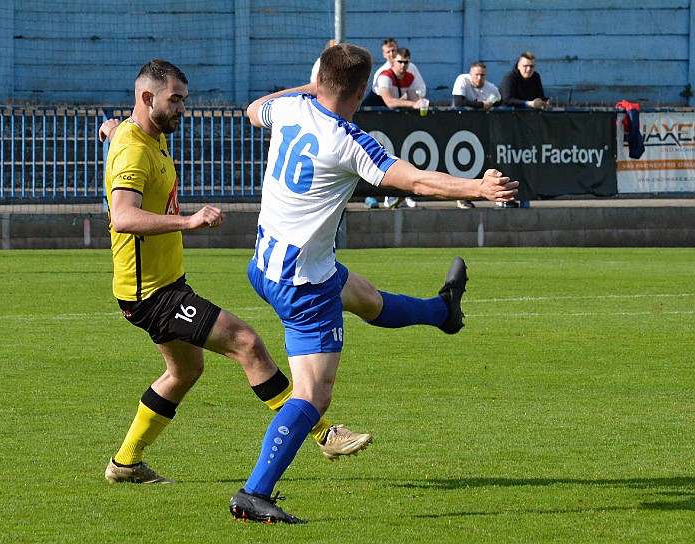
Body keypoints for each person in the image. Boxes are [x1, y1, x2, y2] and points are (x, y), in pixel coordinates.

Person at [228, 43, 518, 524]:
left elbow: (253, 109)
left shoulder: (287, 108)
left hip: (266, 263)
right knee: (313, 396)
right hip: (302, 283)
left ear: (319, 79)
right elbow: (416, 181)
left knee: (364, 297)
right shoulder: (348, 140)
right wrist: (478, 188)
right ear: (364, 91)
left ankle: (443, 312)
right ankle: (254, 492)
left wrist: (315, 85)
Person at [98, 59, 372, 485]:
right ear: (146, 98)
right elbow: (123, 216)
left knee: (184, 372)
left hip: (161, 285)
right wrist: (188, 222)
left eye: (183, 101)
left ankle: (125, 463)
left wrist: (108, 129)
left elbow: (117, 134)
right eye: (175, 101)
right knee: (247, 344)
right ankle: (323, 434)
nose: (182, 109)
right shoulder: (135, 148)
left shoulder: (136, 134)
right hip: (152, 294)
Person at [361, 47, 427, 209]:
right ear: (392, 62)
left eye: (406, 62)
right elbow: (390, 102)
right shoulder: (385, 76)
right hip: (370, 122)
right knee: (369, 160)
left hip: (386, 124)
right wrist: (414, 104)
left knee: (392, 159)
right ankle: (368, 196)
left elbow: (413, 98)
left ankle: (393, 195)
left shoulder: (410, 76)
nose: (403, 66)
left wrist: (419, 103)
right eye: (399, 62)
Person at [498, 52, 548, 208]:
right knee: (507, 161)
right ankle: (503, 198)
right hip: (507, 124)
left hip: (527, 126)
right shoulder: (510, 77)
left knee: (525, 161)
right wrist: (528, 104)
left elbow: (539, 96)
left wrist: (543, 103)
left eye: (532, 66)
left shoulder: (536, 77)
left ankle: (525, 197)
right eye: (525, 66)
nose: (528, 69)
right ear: (518, 66)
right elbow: (506, 99)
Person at [451, 61, 502, 209]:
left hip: (482, 130)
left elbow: (499, 101)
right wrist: (481, 105)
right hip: (460, 128)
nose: (479, 78)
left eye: (482, 75)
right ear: (470, 74)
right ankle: (462, 197)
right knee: (463, 163)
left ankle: (497, 196)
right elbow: (458, 101)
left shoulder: (491, 88)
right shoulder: (462, 80)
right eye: (476, 75)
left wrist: (490, 104)